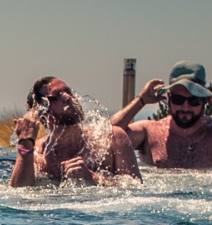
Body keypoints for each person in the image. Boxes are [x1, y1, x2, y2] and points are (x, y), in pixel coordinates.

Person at [110, 61, 212, 169]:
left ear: (204, 101)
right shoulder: (148, 132)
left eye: (193, 101)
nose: (185, 107)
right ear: (169, 99)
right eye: (179, 99)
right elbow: (105, 137)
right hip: (158, 216)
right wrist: (141, 100)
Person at [9, 76, 140, 187]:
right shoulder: (37, 154)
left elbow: (136, 187)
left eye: (68, 91)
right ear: (43, 113)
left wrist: (93, 178)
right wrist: (25, 142)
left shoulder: (113, 138)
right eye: (57, 95)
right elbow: (20, 194)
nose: (68, 97)